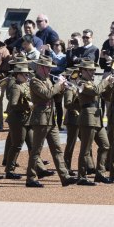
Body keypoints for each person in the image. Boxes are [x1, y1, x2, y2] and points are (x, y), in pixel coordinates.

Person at [25, 57, 76, 188]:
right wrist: (58, 86)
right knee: (36, 150)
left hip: (50, 119)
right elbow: (47, 94)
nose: (49, 70)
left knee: (57, 149)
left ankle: (64, 177)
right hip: (41, 119)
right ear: (41, 68)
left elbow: (55, 98)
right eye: (47, 68)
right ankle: (30, 178)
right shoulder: (35, 81)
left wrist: (62, 88)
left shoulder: (47, 80)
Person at [75, 59, 112, 185]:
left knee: (105, 145)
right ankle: (82, 176)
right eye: (90, 70)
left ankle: (100, 173)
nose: (92, 72)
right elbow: (95, 91)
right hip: (88, 118)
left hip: (97, 117)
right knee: (86, 149)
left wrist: (109, 86)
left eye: (93, 70)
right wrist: (105, 81)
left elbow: (105, 96)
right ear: (82, 71)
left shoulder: (91, 82)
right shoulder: (81, 82)